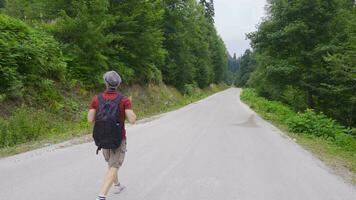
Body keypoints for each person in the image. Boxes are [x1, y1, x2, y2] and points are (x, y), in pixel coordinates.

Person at [87, 71, 136, 200]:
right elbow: (132, 120)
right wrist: (130, 105)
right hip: (117, 138)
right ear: (118, 84)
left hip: (102, 137)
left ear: (105, 82)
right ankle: (101, 196)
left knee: (111, 164)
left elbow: (90, 119)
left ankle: (118, 185)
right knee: (114, 166)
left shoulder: (97, 99)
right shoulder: (124, 99)